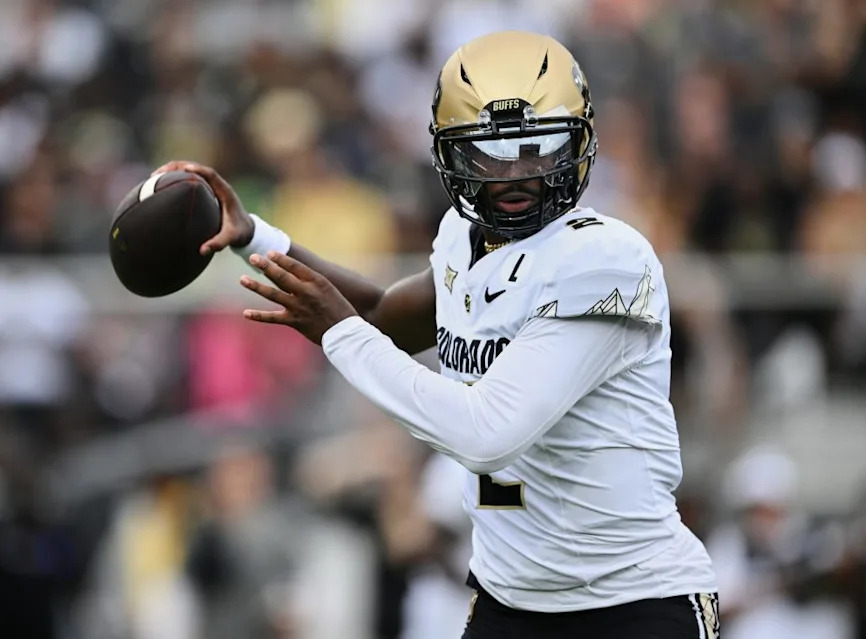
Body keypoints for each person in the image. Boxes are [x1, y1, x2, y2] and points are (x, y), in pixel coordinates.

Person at [157, 30, 718, 639]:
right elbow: (377, 311)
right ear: (450, 156)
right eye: (490, 154)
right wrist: (254, 237)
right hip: (511, 600)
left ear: (579, 141)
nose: (517, 175)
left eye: (540, 148)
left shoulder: (605, 259)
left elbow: (485, 434)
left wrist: (341, 334)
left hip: (631, 604)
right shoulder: (464, 239)